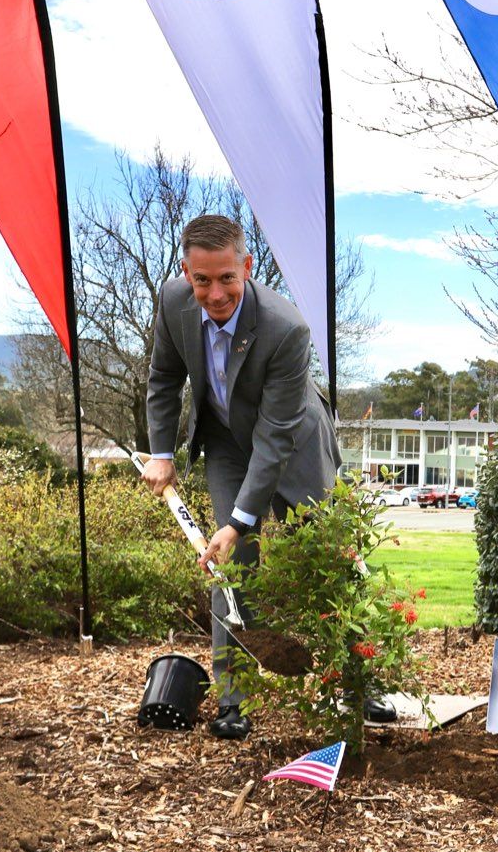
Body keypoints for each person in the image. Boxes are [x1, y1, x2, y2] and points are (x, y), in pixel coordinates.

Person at [141, 214, 366, 740]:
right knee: (230, 569)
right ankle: (233, 700)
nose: (215, 293)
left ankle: (358, 687)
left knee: (331, 556)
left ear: (246, 266)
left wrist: (240, 519)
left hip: (294, 443)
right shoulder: (173, 302)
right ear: (186, 271)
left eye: (226, 279)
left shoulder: (286, 328)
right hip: (224, 441)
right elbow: (164, 377)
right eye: (202, 280)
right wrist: (161, 452)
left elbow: (275, 437)